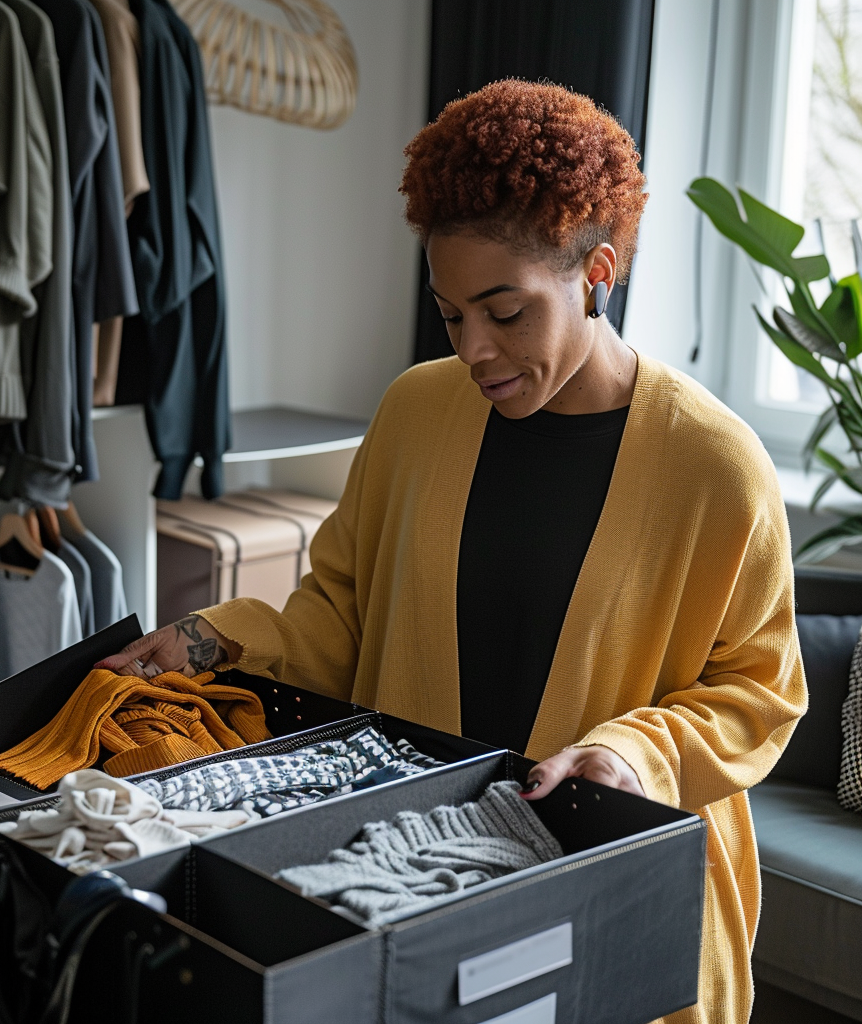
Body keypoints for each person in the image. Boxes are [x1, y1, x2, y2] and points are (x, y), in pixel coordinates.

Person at [97, 80, 806, 1023]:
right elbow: (340, 613)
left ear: (597, 272)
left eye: (505, 312)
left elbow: (760, 692)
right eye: (450, 314)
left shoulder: (715, 466)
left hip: (614, 903)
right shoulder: (416, 413)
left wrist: (633, 754)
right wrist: (208, 641)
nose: (474, 349)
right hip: (418, 877)